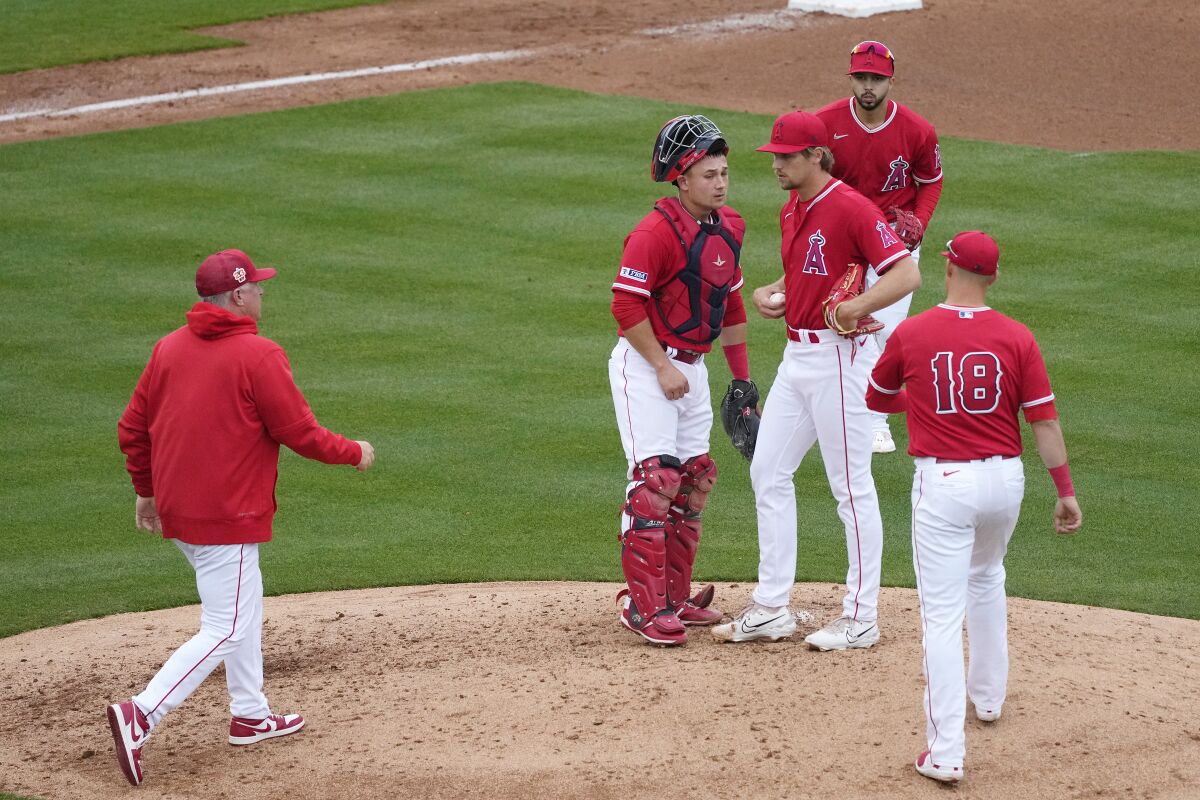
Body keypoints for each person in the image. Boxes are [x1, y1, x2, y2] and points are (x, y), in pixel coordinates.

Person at [108, 249, 375, 786]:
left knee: (243, 604)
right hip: (224, 515)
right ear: (236, 297)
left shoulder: (168, 349)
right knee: (225, 625)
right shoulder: (258, 354)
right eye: (255, 286)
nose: (261, 292)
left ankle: (250, 714)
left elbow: (132, 428)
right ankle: (142, 713)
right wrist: (355, 452)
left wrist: (146, 491)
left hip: (182, 509)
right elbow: (299, 432)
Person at [865, 231, 1083, 783]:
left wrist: (918, 389)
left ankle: (945, 753)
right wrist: (1064, 491)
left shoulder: (913, 332)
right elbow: (1045, 423)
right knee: (987, 578)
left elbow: (875, 398)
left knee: (940, 617)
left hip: (945, 484)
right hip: (1005, 483)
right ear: (994, 277)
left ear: (947, 268)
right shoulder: (1017, 336)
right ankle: (987, 699)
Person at [713, 111, 920, 649]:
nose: (776, 164)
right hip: (797, 360)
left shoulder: (852, 207)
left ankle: (861, 616)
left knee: (850, 487)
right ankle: (772, 606)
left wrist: (856, 306)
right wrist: (771, 291)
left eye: (786, 156)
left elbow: (905, 272)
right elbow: (805, 267)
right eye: (774, 156)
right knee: (768, 471)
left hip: (841, 362)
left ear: (815, 156)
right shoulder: (793, 209)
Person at [608, 114, 755, 646]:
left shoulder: (730, 228)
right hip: (647, 367)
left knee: (694, 479)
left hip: (692, 367)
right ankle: (643, 609)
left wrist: (740, 382)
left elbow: (732, 303)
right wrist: (663, 366)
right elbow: (625, 305)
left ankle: (674, 598)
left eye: (724, 173)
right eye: (710, 174)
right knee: (655, 484)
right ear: (682, 178)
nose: (721, 182)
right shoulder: (653, 233)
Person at [816, 40, 944, 454]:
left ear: (890, 79)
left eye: (876, 78)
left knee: (885, 331)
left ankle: (876, 419)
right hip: (844, 239)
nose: (868, 86)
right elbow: (810, 182)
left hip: (894, 243)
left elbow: (930, 182)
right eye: (861, 78)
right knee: (836, 324)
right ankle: (835, 406)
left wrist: (919, 225)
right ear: (851, 78)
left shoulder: (917, 130)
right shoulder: (825, 124)